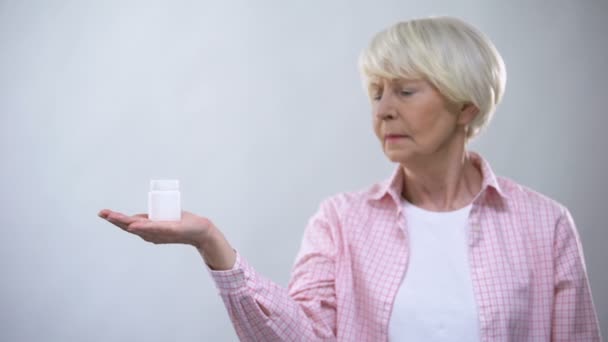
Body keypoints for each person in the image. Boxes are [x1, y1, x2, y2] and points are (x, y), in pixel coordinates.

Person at [98, 16, 601, 341]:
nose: (382, 110)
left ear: (466, 105)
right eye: (376, 92)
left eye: (404, 91)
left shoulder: (545, 224)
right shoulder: (340, 220)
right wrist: (212, 243)